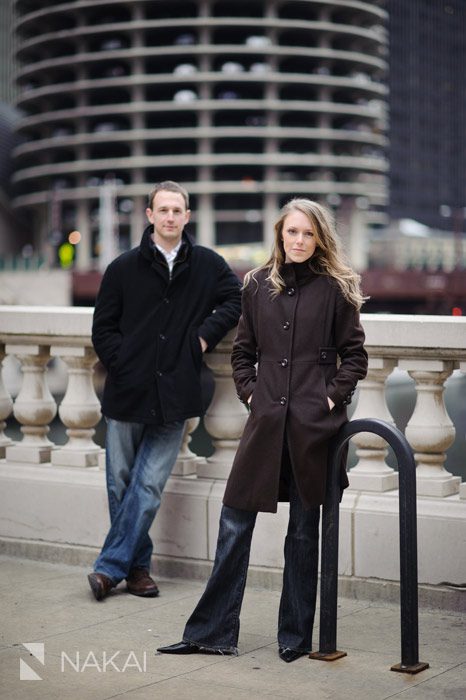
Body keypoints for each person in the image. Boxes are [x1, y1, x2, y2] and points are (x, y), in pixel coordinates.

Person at [157, 198, 368, 661]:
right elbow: (242, 352)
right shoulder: (255, 284)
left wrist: (329, 398)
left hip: (314, 429)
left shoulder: (336, 288)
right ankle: (209, 633)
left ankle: (293, 638)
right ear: (280, 235)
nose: (298, 241)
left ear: (319, 239)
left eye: (307, 234)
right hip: (266, 422)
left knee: (302, 532)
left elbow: (355, 356)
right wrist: (251, 394)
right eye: (291, 232)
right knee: (234, 521)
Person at [88, 181, 241, 601]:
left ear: (187, 216)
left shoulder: (207, 264)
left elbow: (235, 300)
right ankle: (136, 570)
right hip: (126, 392)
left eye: (178, 210)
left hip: (176, 392)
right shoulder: (122, 268)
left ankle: (108, 568)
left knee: (150, 484)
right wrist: (125, 363)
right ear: (150, 215)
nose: (171, 217)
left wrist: (203, 339)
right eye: (163, 210)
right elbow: (102, 329)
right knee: (121, 483)